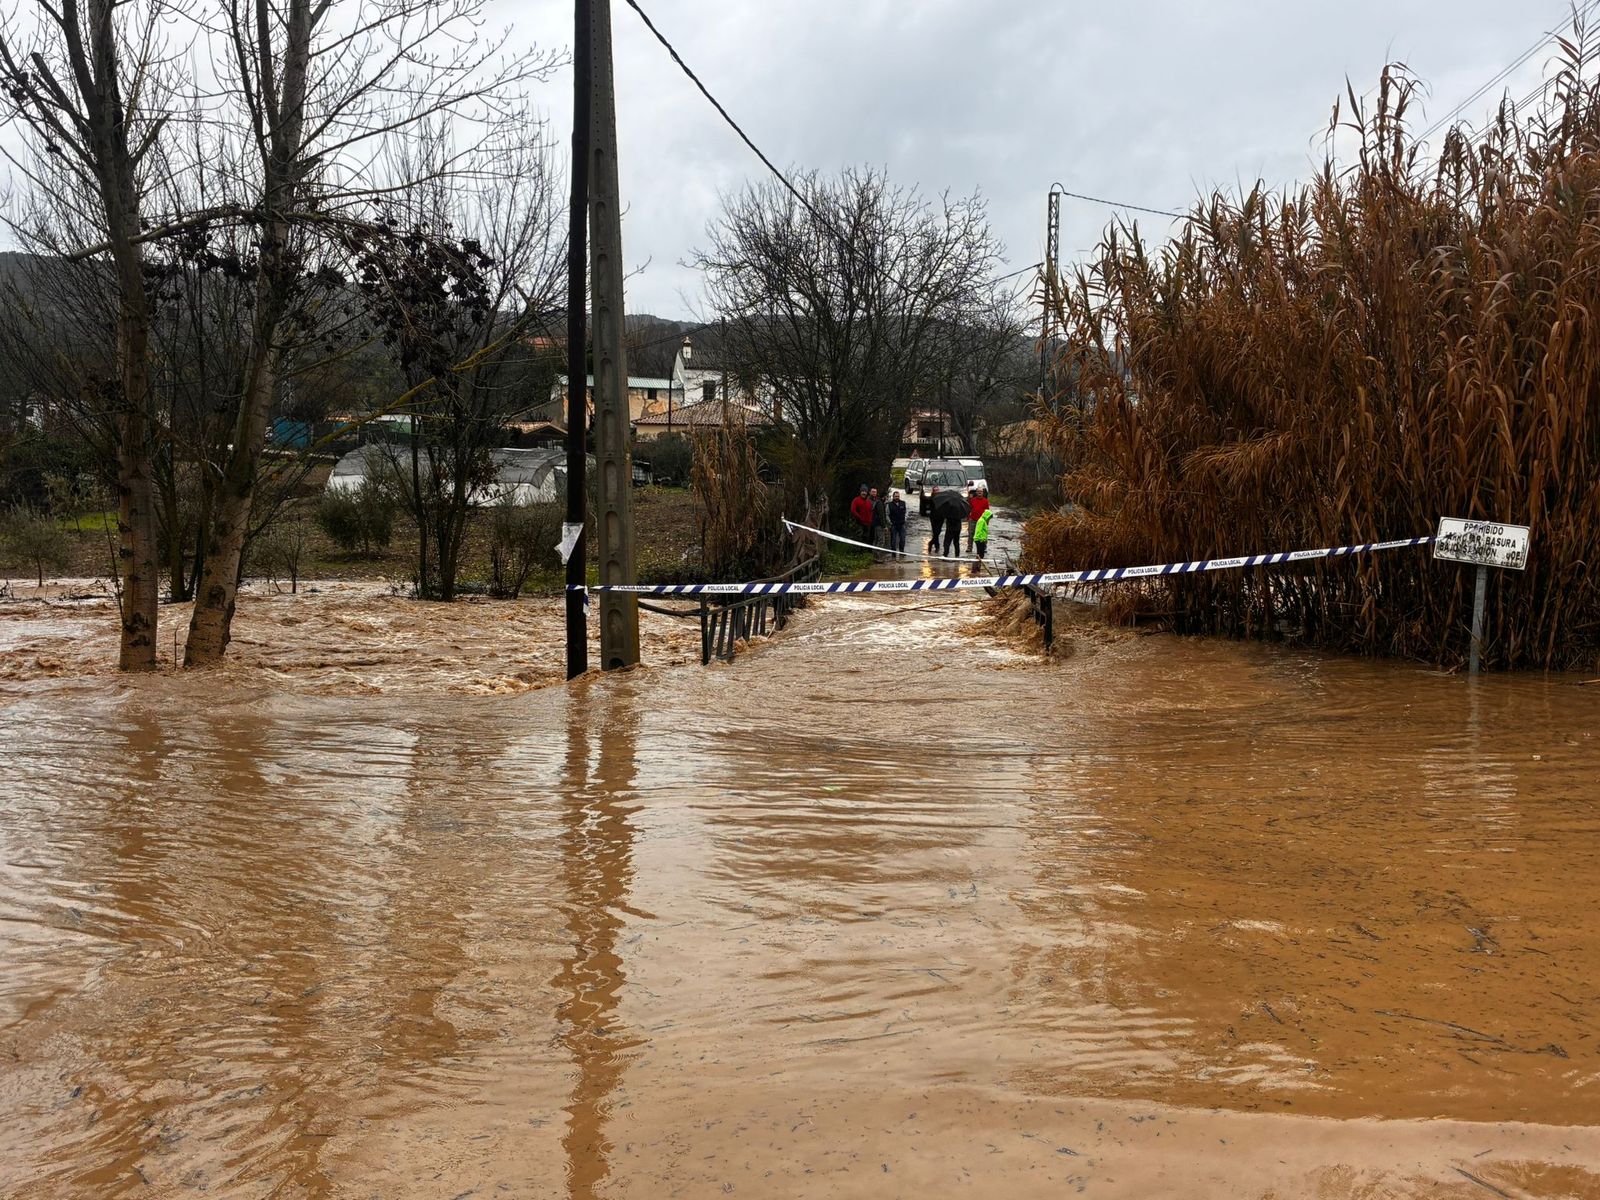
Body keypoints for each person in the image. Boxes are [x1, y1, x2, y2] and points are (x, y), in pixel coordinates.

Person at [967, 487, 991, 553]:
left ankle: (984, 547)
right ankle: (969, 547)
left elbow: (987, 512)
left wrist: (987, 521)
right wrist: (968, 518)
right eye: (978, 491)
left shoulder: (985, 501)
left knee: (983, 534)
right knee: (971, 534)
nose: (979, 492)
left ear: (983, 493)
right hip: (973, 519)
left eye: (981, 491)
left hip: (982, 521)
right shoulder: (972, 500)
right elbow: (969, 509)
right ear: (976, 492)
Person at [887, 489, 908, 553]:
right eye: (896, 496)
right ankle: (893, 553)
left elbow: (906, 512)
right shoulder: (889, 504)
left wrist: (905, 519)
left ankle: (902, 551)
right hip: (893, 525)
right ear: (893, 497)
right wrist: (890, 522)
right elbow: (887, 514)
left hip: (901, 524)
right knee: (893, 540)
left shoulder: (903, 503)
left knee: (903, 539)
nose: (897, 497)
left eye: (898, 496)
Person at [926, 486, 945, 555]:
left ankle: (931, 543)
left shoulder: (942, 498)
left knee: (938, 531)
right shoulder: (931, 499)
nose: (936, 492)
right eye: (935, 490)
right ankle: (937, 546)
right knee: (935, 532)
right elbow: (929, 507)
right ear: (933, 491)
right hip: (933, 517)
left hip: (941, 517)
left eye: (937, 490)